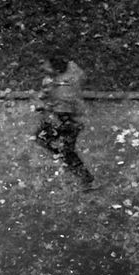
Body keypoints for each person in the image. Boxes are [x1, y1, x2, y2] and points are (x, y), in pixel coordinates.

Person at [34, 55, 95, 190]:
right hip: (59, 118)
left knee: (65, 149)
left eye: (46, 65)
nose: (42, 68)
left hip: (67, 119)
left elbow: (66, 99)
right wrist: (43, 104)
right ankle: (82, 175)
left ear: (56, 69)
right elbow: (44, 96)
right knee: (45, 140)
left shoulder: (67, 81)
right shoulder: (50, 81)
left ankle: (84, 177)